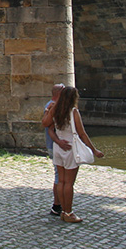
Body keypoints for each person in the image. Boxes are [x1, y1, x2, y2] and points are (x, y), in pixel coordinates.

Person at [42, 86, 105, 222]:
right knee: (69, 183)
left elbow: (46, 124)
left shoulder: (55, 110)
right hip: (70, 147)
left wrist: (48, 110)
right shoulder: (73, 112)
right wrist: (94, 150)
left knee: (61, 181)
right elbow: (82, 134)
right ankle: (68, 213)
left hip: (59, 146)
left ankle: (63, 211)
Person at [42, 83, 68, 216]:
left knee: (61, 176)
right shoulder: (52, 106)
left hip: (57, 145)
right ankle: (58, 205)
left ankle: (61, 204)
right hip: (56, 146)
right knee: (60, 176)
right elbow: (48, 126)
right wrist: (59, 142)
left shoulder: (54, 105)